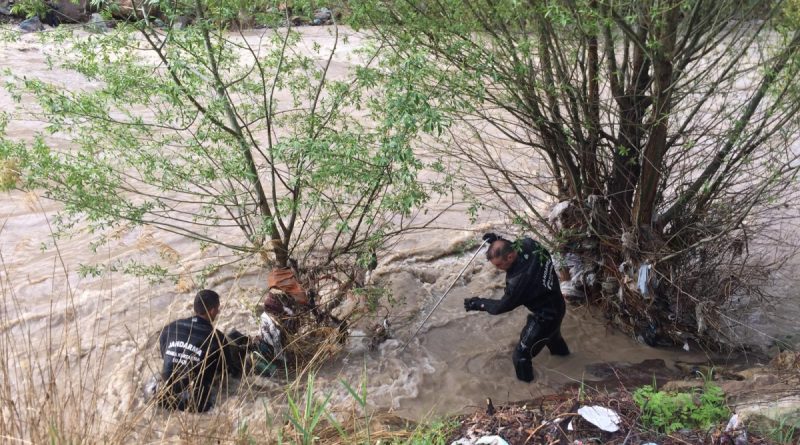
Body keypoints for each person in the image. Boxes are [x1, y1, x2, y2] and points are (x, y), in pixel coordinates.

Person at [464, 233, 570, 382]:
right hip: (558, 304)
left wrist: (478, 303)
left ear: (510, 257)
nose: (499, 269)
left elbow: (501, 307)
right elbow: (509, 244)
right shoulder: (530, 244)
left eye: (499, 265)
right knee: (552, 337)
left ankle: (528, 390)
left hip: (545, 317)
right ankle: (570, 363)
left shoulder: (519, 281)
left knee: (521, 355)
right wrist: (497, 239)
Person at [156, 289, 243, 412]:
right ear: (212, 310)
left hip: (162, 397)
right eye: (217, 308)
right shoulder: (217, 339)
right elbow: (226, 374)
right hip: (196, 405)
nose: (218, 311)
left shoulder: (169, 328)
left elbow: (165, 356)